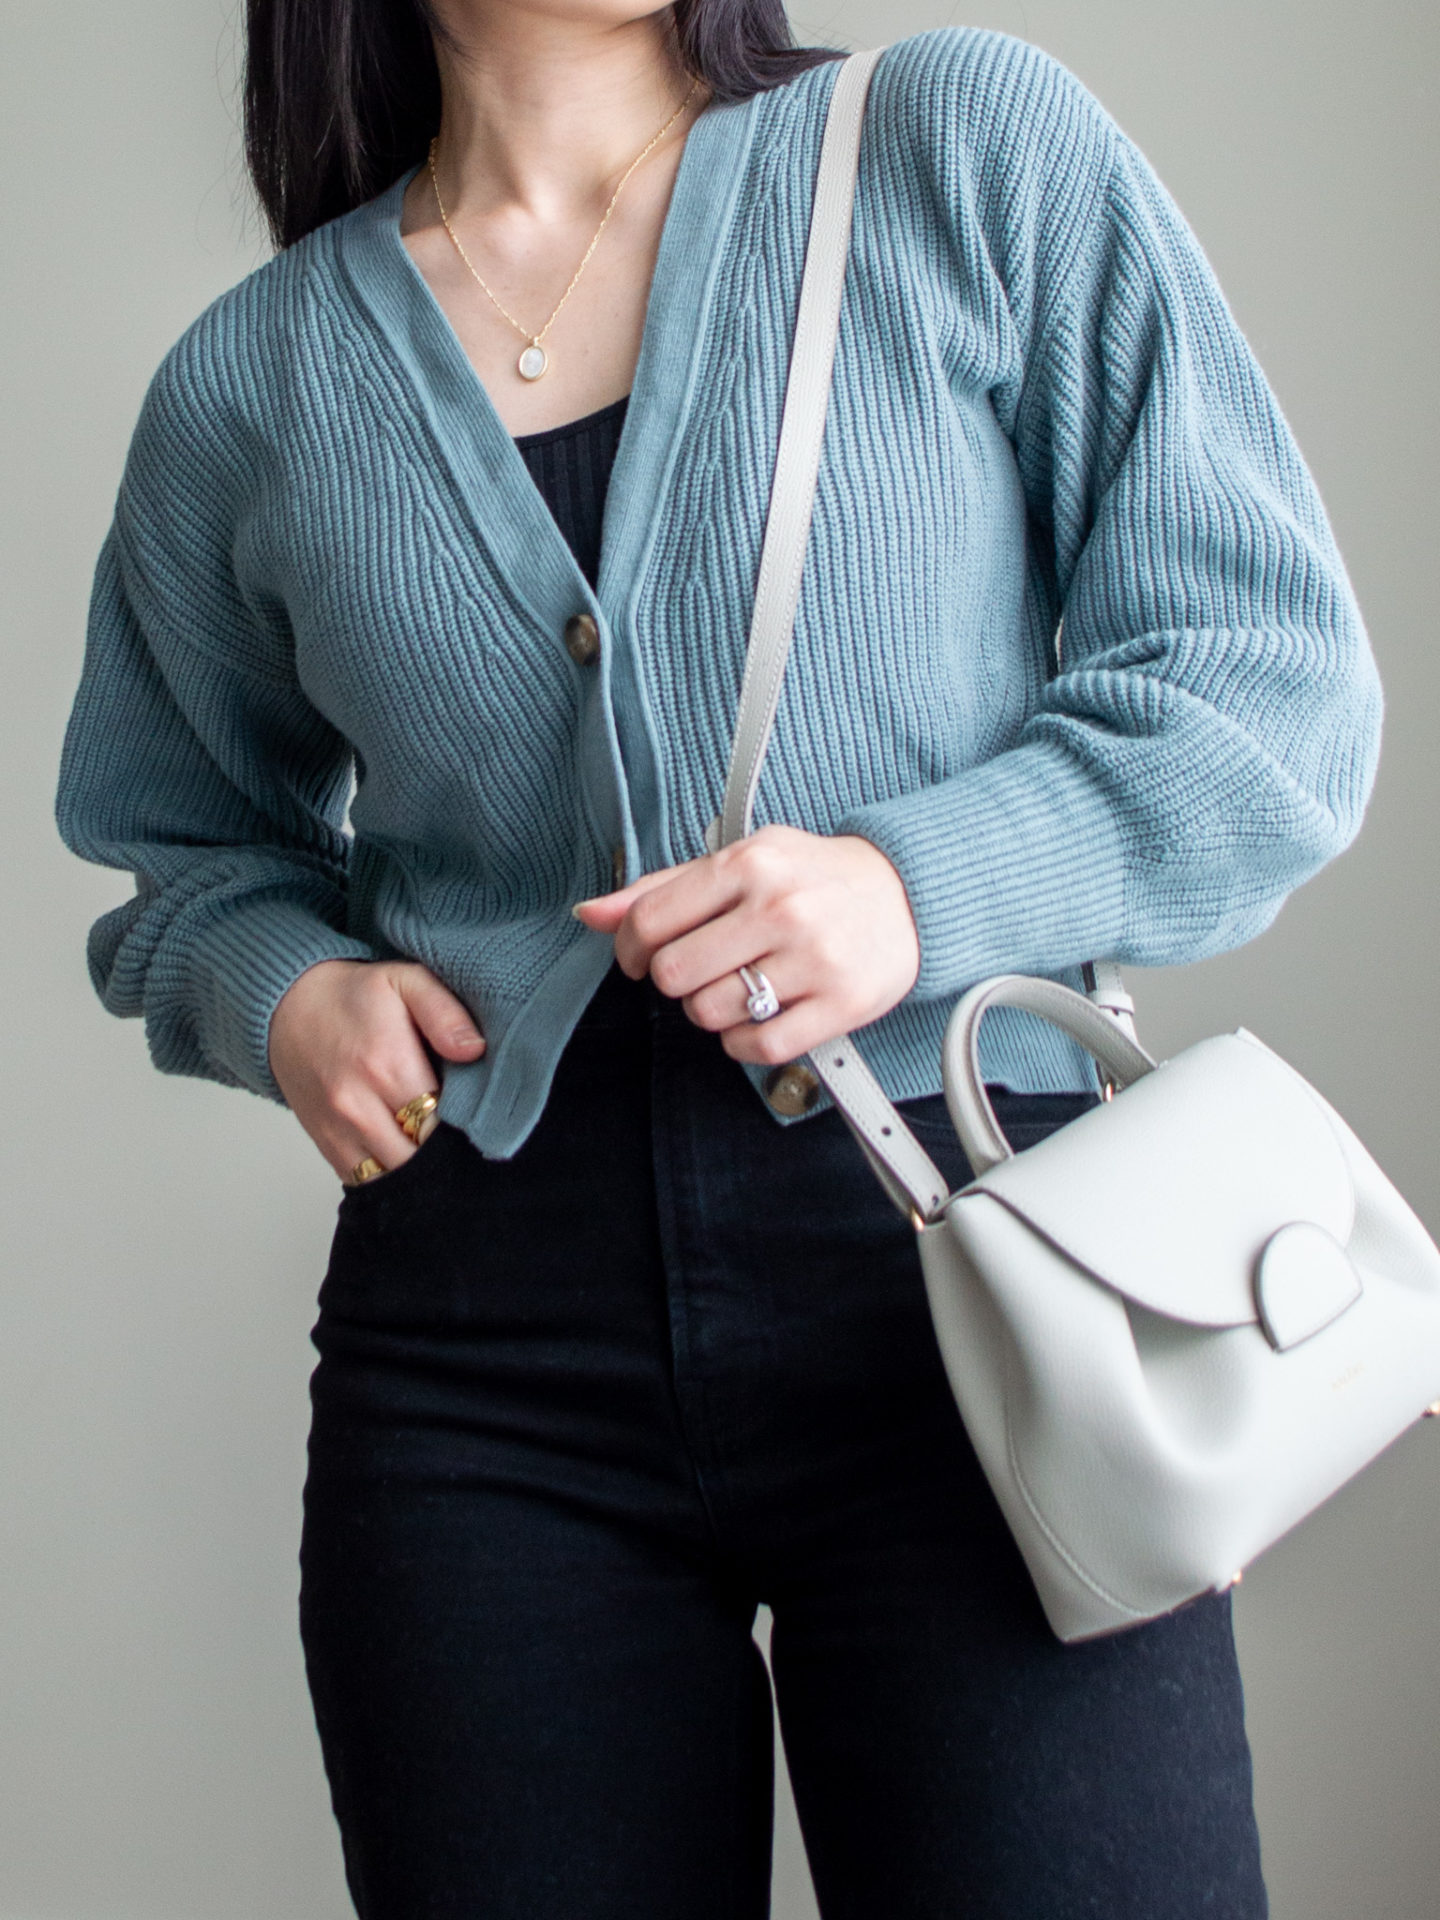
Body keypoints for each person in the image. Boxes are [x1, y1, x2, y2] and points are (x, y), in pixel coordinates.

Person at [54, 0, 1382, 1913]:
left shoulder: (956, 145)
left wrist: (915, 887)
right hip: (487, 1379)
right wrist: (283, 996)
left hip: (976, 1288)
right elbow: (178, 844)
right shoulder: (249, 385)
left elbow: (1271, 689)